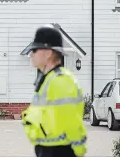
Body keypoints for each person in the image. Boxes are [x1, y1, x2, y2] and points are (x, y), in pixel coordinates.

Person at [21, 24, 87, 157]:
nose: (31, 55)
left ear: (48, 52)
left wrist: (79, 151)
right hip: (47, 149)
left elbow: (71, 121)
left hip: (59, 151)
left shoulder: (60, 81)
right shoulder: (48, 78)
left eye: (35, 50)